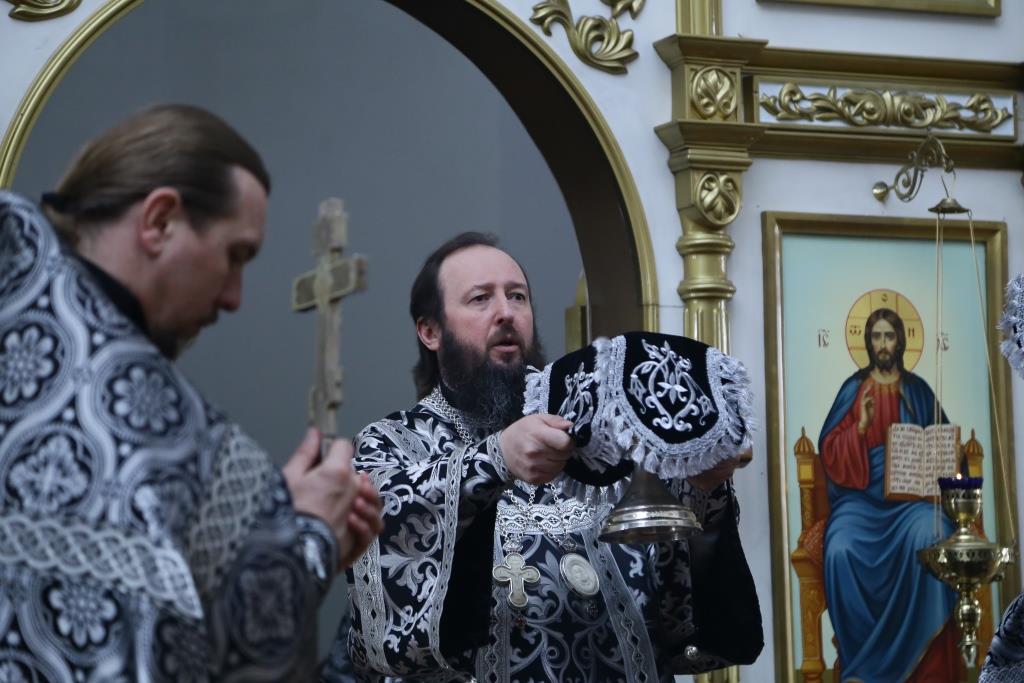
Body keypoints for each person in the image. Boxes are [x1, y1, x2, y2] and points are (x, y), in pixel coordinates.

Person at [0, 104, 382, 682]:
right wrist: (305, 535)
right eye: (235, 256)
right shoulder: (166, 434)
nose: (234, 298)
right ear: (159, 220)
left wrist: (263, 520)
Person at [324, 232, 745, 682]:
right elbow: (387, 558)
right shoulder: (393, 444)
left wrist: (706, 488)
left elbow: (680, 607)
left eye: (517, 296)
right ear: (431, 331)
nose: (506, 312)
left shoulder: (596, 432)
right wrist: (495, 460)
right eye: (480, 299)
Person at [818, 307, 958, 682]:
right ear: (867, 341)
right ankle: (863, 665)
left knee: (933, 534)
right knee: (840, 547)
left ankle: (927, 670)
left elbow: (945, 446)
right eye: (876, 336)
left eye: (889, 336)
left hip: (913, 503)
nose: (883, 344)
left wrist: (941, 455)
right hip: (860, 500)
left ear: (901, 341)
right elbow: (829, 452)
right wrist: (860, 428)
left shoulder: (918, 391)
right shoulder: (854, 390)